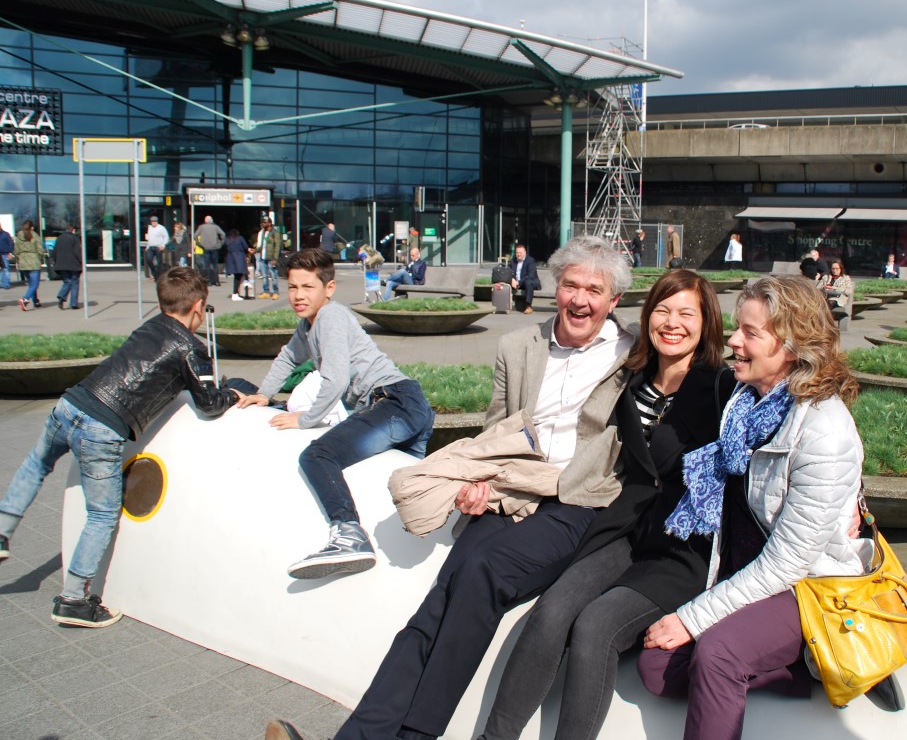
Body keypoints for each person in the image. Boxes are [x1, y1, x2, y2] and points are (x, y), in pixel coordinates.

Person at [265, 235, 634, 740]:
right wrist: (475, 482)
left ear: (614, 301)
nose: (580, 300)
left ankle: (413, 735)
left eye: (595, 290)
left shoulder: (631, 355)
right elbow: (494, 430)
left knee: (483, 570)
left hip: (572, 501)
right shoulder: (517, 346)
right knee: (439, 599)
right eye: (571, 285)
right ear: (556, 286)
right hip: (507, 487)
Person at [477, 270, 733, 740]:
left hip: (681, 549)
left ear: (707, 322)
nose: (672, 323)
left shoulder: (722, 388)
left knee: (595, 627)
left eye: (686, 314)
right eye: (662, 310)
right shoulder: (630, 378)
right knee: (551, 611)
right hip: (623, 530)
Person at [638, 275, 870, 740]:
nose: (733, 341)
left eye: (750, 332)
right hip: (744, 569)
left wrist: (693, 617)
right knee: (656, 666)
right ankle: (812, 669)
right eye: (737, 328)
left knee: (717, 654)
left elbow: (788, 563)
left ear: (794, 346)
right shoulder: (743, 403)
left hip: (807, 586)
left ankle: (818, 657)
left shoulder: (824, 430)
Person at [0, 267, 239, 627]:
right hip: (102, 428)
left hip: (70, 405)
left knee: (36, 465)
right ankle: (73, 599)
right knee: (102, 515)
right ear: (198, 305)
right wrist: (232, 394)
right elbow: (208, 403)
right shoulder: (191, 347)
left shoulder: (149, 326)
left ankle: (2, 533)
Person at [237, 248, 435, 580]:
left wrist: (306, 419)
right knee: (399, 486)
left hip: (394, 403)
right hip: (409, 405)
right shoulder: (308, 326)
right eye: (292, 287)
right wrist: (263, 393)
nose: (298, 295)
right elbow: (288, 357)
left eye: (307, 287)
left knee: (318, 455)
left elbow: (336, 379)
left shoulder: (329, 317)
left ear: (329, 288)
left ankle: (348, 534)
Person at [52, 224, 83, 310]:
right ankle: (73, 303)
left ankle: (62, 296)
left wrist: (56, 262)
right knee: (75, 282)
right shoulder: (75, 239)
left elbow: (54, 252)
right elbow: (78, 252)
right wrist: (81, 261)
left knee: (67, 281)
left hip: (61, 264)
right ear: (73, 230)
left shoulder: (59, 238)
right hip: (74, 265)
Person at [15, 220, 45, 310]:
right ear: (31, 227)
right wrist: (41, 260)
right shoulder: (34, 235)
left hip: (23, 262)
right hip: (34, 261)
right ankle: (25, 299)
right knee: (35, 284)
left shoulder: (19, 236)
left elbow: (16, 251)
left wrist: (19, 259)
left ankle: (36, 301)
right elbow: (40, 250)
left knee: (31, 284)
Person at [255, 218, 284, 299]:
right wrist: (255, 250)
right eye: (262, 222)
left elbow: (277, 246)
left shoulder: (275, 233)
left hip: (271, 257)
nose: (263, 224)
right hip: (263, 257)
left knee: (274, 275)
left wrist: (275, 258)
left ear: (270, 223)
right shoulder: (263, 233)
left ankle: (276, 292)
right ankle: (266, 291)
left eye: (265, 222)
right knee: (265, 276)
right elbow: (262, 245)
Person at [509, 242, 542, 313]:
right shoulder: (513, 261)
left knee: (528, 282)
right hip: (517, 283)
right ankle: (503, 306)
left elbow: (531, 276)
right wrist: (512, 280)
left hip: (531, 282)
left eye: (520, 253)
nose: (518, 254)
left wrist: (519, 282)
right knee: (503, 282)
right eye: (517, 253)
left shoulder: (530, 261)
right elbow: (509, 272)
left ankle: (528, 306)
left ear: (525, 253)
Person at [194, 215, 225, 287]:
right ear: (212, 220)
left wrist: (199, 244)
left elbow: (195, 236)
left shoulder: (201, 227)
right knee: (215, 265)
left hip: (205, 247)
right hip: (214, 247)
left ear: (205, 221)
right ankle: (216, 281)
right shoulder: (216, 227)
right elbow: (223, 234)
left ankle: (209, 281)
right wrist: (221, 243)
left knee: (207, 265)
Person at [224, 228, 249, 301]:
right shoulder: (240, 238)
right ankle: (236, 293)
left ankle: (236, 293)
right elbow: (245, 247)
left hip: (231, 258)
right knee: (239, 276)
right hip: (239, 258)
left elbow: (225, 248)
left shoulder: (227, 239)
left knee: (236, 277)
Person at [145, 215, 168, 280]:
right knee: (149, 259)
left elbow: (166, 237)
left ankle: (159, 275)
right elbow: (149, 238)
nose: (153, 223)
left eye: (154, 221)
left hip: (158, 247)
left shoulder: (161, 228)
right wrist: (147, 246)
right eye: (152, 222)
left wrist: (163, 245)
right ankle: (154, 272)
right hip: (151, 247)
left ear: (157, 222)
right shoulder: (150, 228)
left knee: (159, 262)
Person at [0, 222, 14, 290]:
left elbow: (11, 243)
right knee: (2, 270)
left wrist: (10, 253)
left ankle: (6, 284)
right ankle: (2, 284)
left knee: (5, 269)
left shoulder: (5, 234)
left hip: (4, 254)